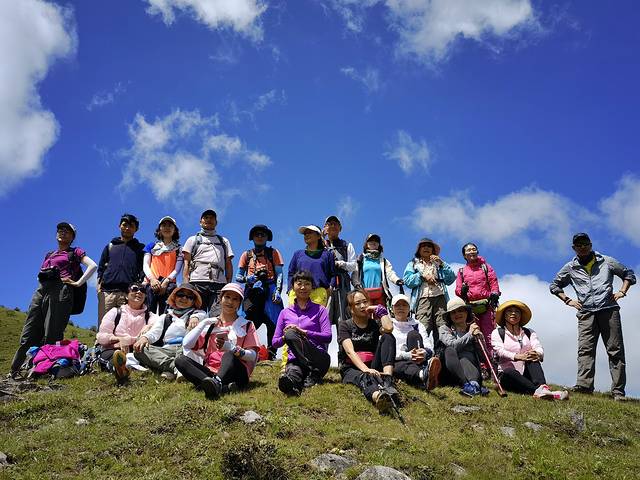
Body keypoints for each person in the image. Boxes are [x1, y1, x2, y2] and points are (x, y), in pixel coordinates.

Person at [550, 233, 636, 401]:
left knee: (615, 350)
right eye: (579, 245)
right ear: (574, 248)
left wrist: (622, 291)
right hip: (586, 313)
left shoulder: (607, 261)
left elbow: (628, 274)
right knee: (585, 350)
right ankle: (584, 386)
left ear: (590, 244)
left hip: (608, 310)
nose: (582, 247)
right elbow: (554, 285)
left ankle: (618, 392)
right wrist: (567, 300)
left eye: (585, 244)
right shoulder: (570, 267)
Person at [9, 222, 97, 378]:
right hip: (41, 290)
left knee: (52, 332)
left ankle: (46, 371)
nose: (63, 232)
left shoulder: (75, 252)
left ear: (72, 237)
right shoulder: (49, 254)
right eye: (60, 230)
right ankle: (15, 370)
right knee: (29, 332)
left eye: (67, 231)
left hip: (61, 290)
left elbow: (92, 265)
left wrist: (78, 283)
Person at [176, 283, 260, 399]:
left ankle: (214, 383)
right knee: (180, 360)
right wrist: (203, 323)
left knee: (229, 354)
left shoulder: (247, 325)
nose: (230, 302)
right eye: (227, 297)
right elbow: (187, 344)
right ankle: (218, 386)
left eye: (235, 299)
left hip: (236, 372)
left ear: (239, 303)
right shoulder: (211, 324)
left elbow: (252, 356)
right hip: (210, 371)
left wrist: (231, 348)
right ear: (220, 299)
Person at [338, 289, 399, 413]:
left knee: (388, 337)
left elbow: (389, 328)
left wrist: (381, 311)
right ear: (351, 308)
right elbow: (350, 351)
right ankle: (378, 397)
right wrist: (365, 369)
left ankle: (387, 380)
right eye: (357, 303)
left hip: (373, 364)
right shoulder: (345, 325)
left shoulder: (374, 324)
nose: (362, 306)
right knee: (364, 377)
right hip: (352, 367)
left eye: (365, 302)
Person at [492, 300, 568, 400]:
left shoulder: (529, 332)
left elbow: (538, 347)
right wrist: (517, 356)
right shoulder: (498, 332)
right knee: (509, 372)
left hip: (527, 374)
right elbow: (499, 351)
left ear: (521, 316)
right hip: (507, 376)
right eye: (510, 311)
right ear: (504, 315)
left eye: (517, 311)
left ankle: (542, 388)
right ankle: (545, 392)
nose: (513, 313)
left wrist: (537, 354)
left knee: (533, 357)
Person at [273, 271, 332, 395]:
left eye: (307, 284)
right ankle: (292, 386)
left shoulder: (320, 310)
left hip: (318, 358)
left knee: (291, 334)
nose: (303, 287)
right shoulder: (285, 313)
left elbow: (328, 336)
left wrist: (304, 332)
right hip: (295, 360)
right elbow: (275, 343)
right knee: (293, 372)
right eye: (299, 284)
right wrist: (285, 337)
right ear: (293, 287)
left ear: (312, 287)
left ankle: (313, 373)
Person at [132, 283, 206, 380]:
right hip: (166, 349)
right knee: (139, 350)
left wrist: (195, 317)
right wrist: (145, 338)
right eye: (181, 295)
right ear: (175, 298)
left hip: (186, 350)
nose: (184, 298)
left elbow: (202, 316)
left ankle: (170, 369)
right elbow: (155, 332)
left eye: (189, 297)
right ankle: (176, 368)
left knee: (191, 334)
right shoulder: (165, 317)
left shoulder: (198, 314)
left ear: (193, 302)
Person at [236, 224, 284, 359]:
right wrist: (248, 278)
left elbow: (279, 273)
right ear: (252, 237)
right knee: (248, 321)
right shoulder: (246, 255)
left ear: (267, 237)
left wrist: (278, 290)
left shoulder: (273, 253)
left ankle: (271, 353)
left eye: (263, 234)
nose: (260, 237)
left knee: (273, 321)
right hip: (252, 291)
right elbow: (238, 276)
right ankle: (243, 350)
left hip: (270, 288)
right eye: (257, 234)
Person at [96, 282, 159, 383]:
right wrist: (119, 339)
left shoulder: (150, 316)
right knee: (111, 355)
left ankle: (126, 366)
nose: (139, 292)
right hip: (116, 349)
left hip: (139, 351)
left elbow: (159, 325)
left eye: (143, 290)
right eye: (134, 289)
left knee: (149, 353)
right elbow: (101, 337)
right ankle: (119, 368)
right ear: (126, 296)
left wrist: (149, 326)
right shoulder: (115, 312)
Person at [182, 209, 234, 316]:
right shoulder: (192, 239)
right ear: (200, 222)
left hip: (219, 284)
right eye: (206, 217)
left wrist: (228, 285)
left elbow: (228, 263)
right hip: (197, 282)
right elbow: (186, 263)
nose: (209, 220)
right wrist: (186, 285)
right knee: (195, 316)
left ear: (216, 222)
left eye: (212, 218)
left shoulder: (224, 241)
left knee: (217, 318)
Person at [403, 237, 455, 344]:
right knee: (423, 327)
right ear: (419, 250)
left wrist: (442, 264)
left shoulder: (439, 263)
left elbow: (451, 279)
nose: (426, 248)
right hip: (423, 299)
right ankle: (421, 350)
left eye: (429, 246)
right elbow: (407, 280)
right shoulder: (413, 264)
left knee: (442, 327)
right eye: (423, 246)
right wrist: (422, 276)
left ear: (433, 250)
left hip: (440, 298)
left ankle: (441, 352)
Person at [97, 213, 145, 326]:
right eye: (124, 225)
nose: (127, 228)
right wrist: (98, 287)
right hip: (107, 292)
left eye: (131, 226)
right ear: (119, 226)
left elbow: (142, 270)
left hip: (128, 293)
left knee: (124, 327)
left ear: (136, 229)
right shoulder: (110, 246)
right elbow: (101, 268)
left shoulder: (140, 248)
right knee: (104, 325)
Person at [455, 242, 500, 361]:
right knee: (475, 334)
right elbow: (458, 289)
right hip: (470, 307)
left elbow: (493, 281)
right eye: (468, 250)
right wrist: (462, 291)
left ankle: (493, 361)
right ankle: (482, 363)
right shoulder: (461, 271)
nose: (471, 251)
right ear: (464, 255)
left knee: (490, 334)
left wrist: (495, 293)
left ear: (477, 251)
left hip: (487, 305)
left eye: (473, 249)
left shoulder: (486, 267)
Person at [389, 294, 440, 391]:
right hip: (398, 359)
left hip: (417, 360)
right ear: (392, 308)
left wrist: (424, 353)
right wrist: (406, 355)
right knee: (394, 365)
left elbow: (429, 346)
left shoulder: (417, 324)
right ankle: (422, 375)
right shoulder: (388, 325)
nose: (401, 308)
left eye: (404, 305)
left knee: (413, 335)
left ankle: (422, 373)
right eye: (397, 305)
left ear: (409, 308)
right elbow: (386, 352)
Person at [437, 298, 487, 397]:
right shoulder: (444, 329)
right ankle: (468, 385)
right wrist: (469, 335)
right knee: (450, 350)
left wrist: (479, 339)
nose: (457, 314)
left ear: (467, 312)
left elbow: (483, 357)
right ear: (449, 316)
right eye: (453, 312)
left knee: (465, 357)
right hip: (449, 371)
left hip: (471, 369)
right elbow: (452, 345)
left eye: (460, 310)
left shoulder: (473, 330)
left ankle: (473, 384)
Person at [143, 216, 183, 315]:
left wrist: (166, 281)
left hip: (169, 285)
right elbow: (145, 265)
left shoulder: (179, 249)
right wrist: (152, 279)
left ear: (175, 230)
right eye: (164, 225)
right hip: (151, 284)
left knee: (166, 316)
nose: (167, 228)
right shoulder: (151, 246)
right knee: (148, 315)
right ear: (159, 229)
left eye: (170, 226)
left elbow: (177, 269)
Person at [287, 225, 335, 307]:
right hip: (297, 291)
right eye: (305, 234)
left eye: (310, 232)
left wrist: (330, 288)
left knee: (316, 316)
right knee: (294, 315)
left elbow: (332, 274)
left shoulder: (328, 255)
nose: (306, 235)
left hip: (318, 293)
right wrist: (290, 289)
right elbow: (291, 272)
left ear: (318, 236)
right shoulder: (297, 254)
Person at [353, 233, 403, 308]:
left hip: (380, 294)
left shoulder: (383, 261)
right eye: (371, 241)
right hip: (364, 294)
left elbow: (390, 273)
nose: (373, 242)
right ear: (366, 244)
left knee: (380, 313)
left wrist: (397, 280)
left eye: (376, 241)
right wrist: (357, 285)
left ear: (379, 245)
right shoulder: (360, 259)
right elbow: (355, 274)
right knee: (366, 314)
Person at [323, 215, 357, 323]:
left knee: (343, 316)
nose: (333, 226)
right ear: (325, 228)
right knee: (324, 315)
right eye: (330, 224)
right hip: (326, 282)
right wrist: (321, 236)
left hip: (343, 283)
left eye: (335, 224)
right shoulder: (321, 245)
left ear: (340, 228)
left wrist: (341, 264)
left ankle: (343, 334)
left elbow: (353, 265)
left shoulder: (347, 245)